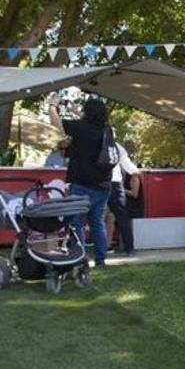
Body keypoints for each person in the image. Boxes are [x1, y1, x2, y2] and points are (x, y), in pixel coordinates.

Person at [48, 98, 115, 268]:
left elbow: (56, 122)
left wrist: (52, 105)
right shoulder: (107, 130)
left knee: (76, 222)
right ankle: (101, 260)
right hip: (103, 184)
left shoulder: (80, 128)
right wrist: (73, 109)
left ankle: (80, 258)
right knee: (97, 223)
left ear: (87, 112)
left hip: (81, 183)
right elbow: (89, 119)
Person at [105, 141, 139, 256]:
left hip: (97, 183)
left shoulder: (91, 142)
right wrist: (137, 171)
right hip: (114, 182)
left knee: (98, 218)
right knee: (122, 216)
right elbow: (128, 166)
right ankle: (129, 248)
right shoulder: (117, 146)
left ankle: (102, 248)